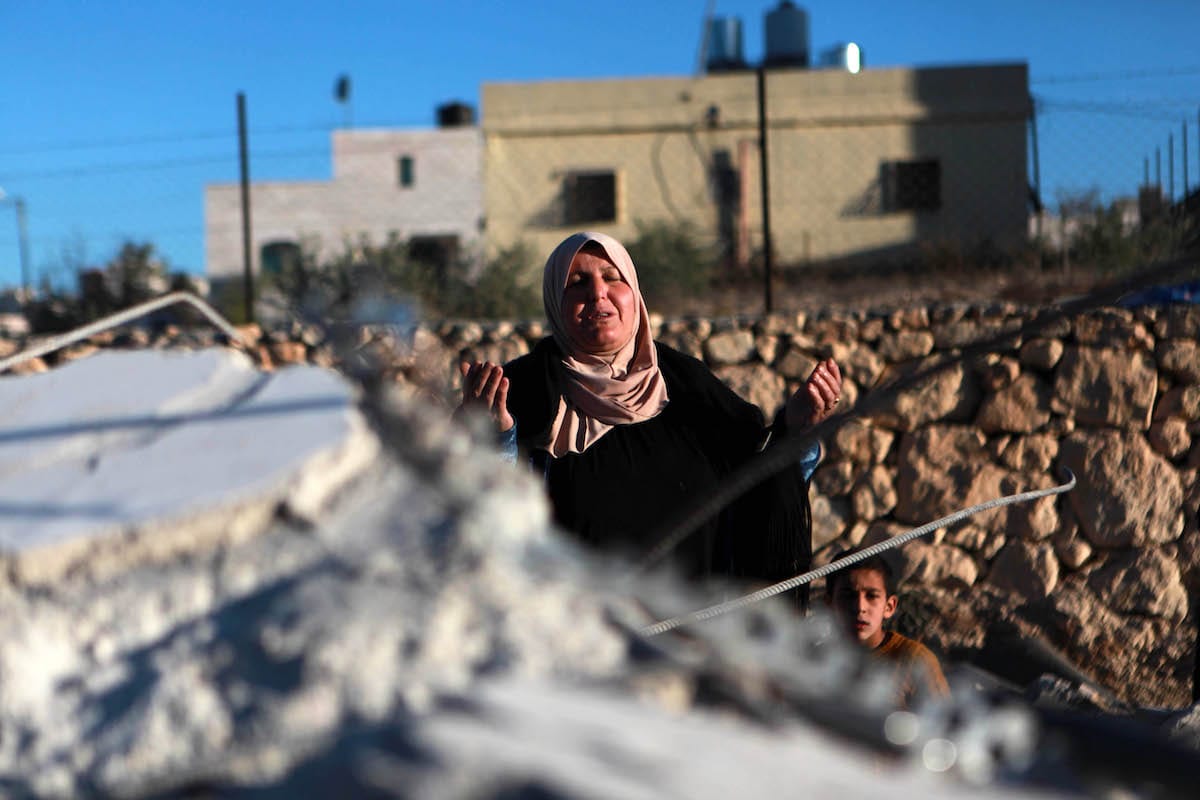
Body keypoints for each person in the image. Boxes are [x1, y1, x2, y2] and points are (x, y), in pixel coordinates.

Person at [457, 231, 842, 604]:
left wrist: (796, 431)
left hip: (694, 642)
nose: (598, 293)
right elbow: (482, 523)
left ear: (635, 293)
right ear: (555, 303)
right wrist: (491, 441)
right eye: (577, 283)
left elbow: (753, 491)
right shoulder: (518, 392)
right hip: (581, 648)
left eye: (612, 277)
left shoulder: (690, 388)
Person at [824, 549, 950, 705]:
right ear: (829, 604)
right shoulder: (815, 657)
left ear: (889, 607)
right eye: (848, 595)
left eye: (871, 596)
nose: (859, 607)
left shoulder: (915, 660)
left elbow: (942, 723)